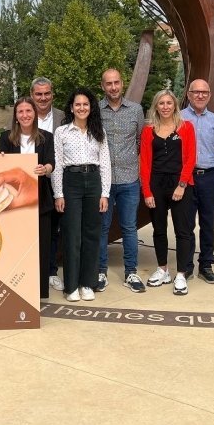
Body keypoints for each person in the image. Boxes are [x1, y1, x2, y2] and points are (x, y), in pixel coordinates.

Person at [52, 87, 110, 302]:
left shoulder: (98, 132)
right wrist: (59, 194)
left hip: (94, 182)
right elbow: (57, 165)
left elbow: (105, 163)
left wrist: (105, 193)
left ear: (91, 107)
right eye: (78, 104)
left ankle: (88, 283)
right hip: (71, 182)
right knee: (72, 235)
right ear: (71, 107)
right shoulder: (62, 132)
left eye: (86, 104)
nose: (82, 108)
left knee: (91, 234)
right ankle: (72, 285)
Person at [0, 97, 56, 299]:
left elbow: (51, 163)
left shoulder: (46, 137)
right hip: (15, 201)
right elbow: (1, 165)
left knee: (41, 247)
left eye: (28, 111)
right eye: (20, 112)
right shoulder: (6, 138)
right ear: (16, 116)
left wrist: (45, 168)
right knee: (16, 245)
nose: (25, 115)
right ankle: (17, 289)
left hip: (40, 199)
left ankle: (39, 291)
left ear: (35, 114)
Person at [140, 89, 197, 295]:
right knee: (159, 229)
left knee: (183, 231)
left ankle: (181, 274)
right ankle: (162, 269)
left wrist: (181, 185)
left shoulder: (186, 127)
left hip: (180, 183)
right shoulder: (148, 131)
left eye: (169, 103)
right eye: (161, 103)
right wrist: (147, 191)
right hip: (156, 184)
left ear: (175, 105)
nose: (165, 107)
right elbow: (145, 163)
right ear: (156, 106)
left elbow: (191, 158)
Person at [96, 69, 146, 293]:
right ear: (103, 86)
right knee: (102, 228)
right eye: (109, 84)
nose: (113, 87)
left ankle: (131, 273)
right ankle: (100, 272)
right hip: (103, 182)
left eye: (116, 83)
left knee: (129, 227)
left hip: (129, 179)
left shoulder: (136, 110)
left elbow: (139, 142)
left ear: (122, 84)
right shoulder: (95, 110)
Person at [179, 79, 214, 284]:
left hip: (209, 177)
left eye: (204, 92)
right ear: (188, 95)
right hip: (186, 179)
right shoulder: (178, 118)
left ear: (209, 95)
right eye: (195, 92)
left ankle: (206, 265)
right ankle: (186, 266)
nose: (200, 96)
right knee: (186, 224)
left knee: (208, 224)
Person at [31, 76, 65, 292]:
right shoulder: (23, 115)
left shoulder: (63, 117)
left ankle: (51, 271)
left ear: (52, 94)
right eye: (38, 94)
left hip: (56, 181)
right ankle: (31, 270)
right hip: (28, 184)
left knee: (53, 230)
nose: (43, 98)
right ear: (32, 95)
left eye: (46, 93)